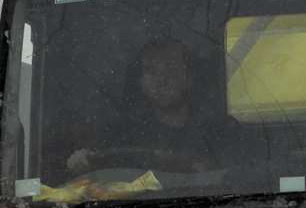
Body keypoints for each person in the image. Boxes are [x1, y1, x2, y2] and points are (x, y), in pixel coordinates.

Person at [64, 38, 223, 179]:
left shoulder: (219, 131)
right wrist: (82, 163)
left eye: (171, 68)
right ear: (141, 83)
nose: (162, 79)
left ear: (189, 77)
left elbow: (236, 176)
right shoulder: (122, 135)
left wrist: (208, 171)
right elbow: (99, 176)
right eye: (151, 70)